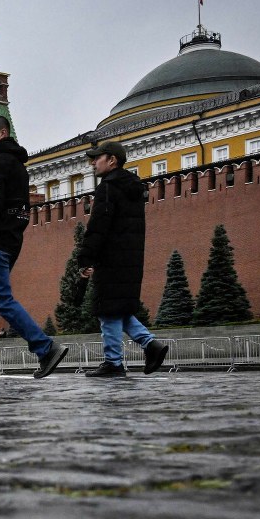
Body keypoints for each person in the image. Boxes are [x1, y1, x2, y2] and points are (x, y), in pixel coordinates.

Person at [0, 115, 68, 380]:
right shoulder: (18, 165)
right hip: (10, 240)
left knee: (0, 298)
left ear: (2, 132)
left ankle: (45, 348)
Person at [78, 140, 170, 377]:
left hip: (111, 259)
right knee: (117, 308)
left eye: (97, 158)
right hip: (129, 258)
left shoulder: (108, 187)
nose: (93, 163)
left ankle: (113, 362)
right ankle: (151, 345)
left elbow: (99, 226)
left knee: (107, 310)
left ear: (112, 160)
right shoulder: (132, 188)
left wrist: (86, 257)